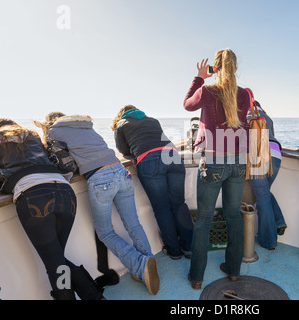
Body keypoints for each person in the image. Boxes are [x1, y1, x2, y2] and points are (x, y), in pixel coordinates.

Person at [35, 113, 160, 295]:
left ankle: (141, 266)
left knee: (106, 233)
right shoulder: (85, 126)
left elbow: (66, 166)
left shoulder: (54, 132)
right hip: (121, 171)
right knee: (133, 224)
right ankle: (147, 267)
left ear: (48, 124)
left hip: (101, 179)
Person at [0, 118, 104, 300]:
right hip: (65, 191)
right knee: (57, 259)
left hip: (34, 196)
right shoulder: (33, 136)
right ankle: (95, 297)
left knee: (55, 263)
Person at [184, 49, 251, 289]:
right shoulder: (244, 94)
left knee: (203, 220)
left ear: (216, 67)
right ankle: (234, 271)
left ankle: (197, 278)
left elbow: (187, 105)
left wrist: (200, 77)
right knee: (234, 216)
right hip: (238, 162)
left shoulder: (208, 91)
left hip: (213, 161)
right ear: (235, 67)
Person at [111, 105, 194, 260]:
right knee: (179, 204)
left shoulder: (121, 125)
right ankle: (189, 248)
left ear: (121, 115)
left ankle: (174, 251)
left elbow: (123, 151)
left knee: (162, 208)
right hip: (173, 156)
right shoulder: (152, 120)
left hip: (150, 161)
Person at [247, 101, 286, 249]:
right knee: (264, 193)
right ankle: (279, 221)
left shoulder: (247, 114)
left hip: (259, 154)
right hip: (276, 153)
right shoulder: (267, 117)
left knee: (262, 198)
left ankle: (269, 241)